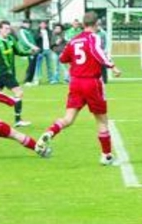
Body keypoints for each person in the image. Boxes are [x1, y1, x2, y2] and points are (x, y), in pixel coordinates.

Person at [35, 11, 122, 166]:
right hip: (92, 83)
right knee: (102, 120)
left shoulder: (74, 40)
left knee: (68, 119)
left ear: (83, 24)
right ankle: (107, 156)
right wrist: (112, 66)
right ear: (96, 25)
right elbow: (97, 52)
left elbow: (63, 58)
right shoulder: (94, 37)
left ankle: (50, 132)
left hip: (75, 82)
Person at [17, 20, 40, 86]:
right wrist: (33, 47)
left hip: (33, 50)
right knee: (29, 65)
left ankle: (30, 80)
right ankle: (27, 80)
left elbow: (31, 40)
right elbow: (25, 41)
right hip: (27, 51)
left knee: (32, 65)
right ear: (23, 23)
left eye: (29, 23)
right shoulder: (22, 31)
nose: (28, 24)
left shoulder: (28, 31)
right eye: (26, 23)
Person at [34, 20, 56, 84]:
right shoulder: (37, 32)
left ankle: (51, 79)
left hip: (48, 50)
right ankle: (37, 79)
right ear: (39, 25)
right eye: (42, 24)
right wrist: (39, 36)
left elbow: (51, 40)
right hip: (41, 51)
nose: (43, 25)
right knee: (38, 66)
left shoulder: (49, 32)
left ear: (46, 25)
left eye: (44, 24)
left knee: (49, 65)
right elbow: (35, 39)